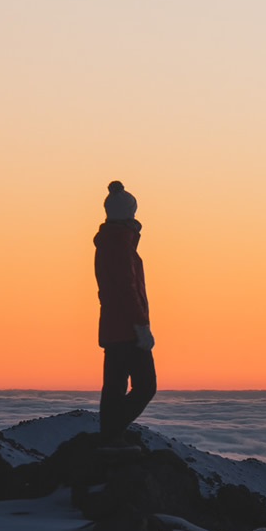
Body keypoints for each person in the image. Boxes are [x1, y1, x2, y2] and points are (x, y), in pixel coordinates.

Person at [94, 180, 156, 448]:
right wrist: (141, 326)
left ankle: (111, 436)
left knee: (115, 386)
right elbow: (128, 289)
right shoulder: (120, 243)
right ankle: (111, 435)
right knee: (145, 386)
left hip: (112, 326)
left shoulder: (110, 241)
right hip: (128, 329)